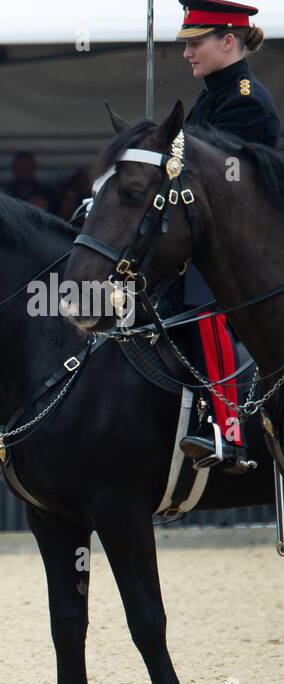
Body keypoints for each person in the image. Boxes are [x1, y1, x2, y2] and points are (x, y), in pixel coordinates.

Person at [175, 1, 278, 471]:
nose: (187, 53)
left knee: (201, 307)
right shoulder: (212, 95)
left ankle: (225, 428)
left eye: (196, 42)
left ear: (228, 41)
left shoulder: (244, 99)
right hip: (204, 239)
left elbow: (216, 186)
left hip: (239, 249)